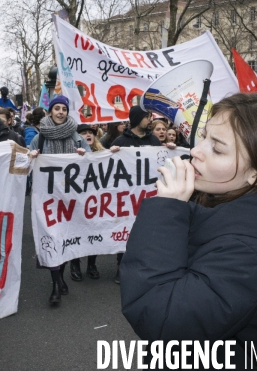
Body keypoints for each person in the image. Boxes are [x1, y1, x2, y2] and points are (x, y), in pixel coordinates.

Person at [120, 93, 257, 369]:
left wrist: (166, 208)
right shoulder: (241, 207)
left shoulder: (249, 250)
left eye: (218, 149)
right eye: (204, 137)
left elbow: (161, 318)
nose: (196, 151)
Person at [29, 96, 91, 305]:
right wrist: (32, 158)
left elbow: (92, 167)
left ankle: (61, 277)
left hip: (71, 200)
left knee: (64, 239)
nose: (61, 112)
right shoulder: (40, 138)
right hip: (48, 200)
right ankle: (56, 284)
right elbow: (28, 168)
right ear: (50, 111)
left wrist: (84, 156)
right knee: (53, 239)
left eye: (64, 108)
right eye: (57, 108)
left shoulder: (77, 138)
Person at [109, 106, 161, 283]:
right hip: (126, 197)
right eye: (147, 117)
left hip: (147, 196)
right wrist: (111, 154)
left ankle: (143, 266)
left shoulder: (154, 141)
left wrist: (170, 149)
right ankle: (121, 266)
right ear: (137, 119)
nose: (150, 120)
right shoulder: (120, 141)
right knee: (125, 231)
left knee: (146, 232)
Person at [68, 124, 120, 281]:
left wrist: (114, 154)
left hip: (95, 202)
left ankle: (92, 264)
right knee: (76, 232)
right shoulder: (71, 153)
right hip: (77, 200)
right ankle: (75, 264)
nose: (88, 135)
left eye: (90, 132)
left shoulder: (102, 152)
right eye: (83, 133)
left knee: (94, 232)